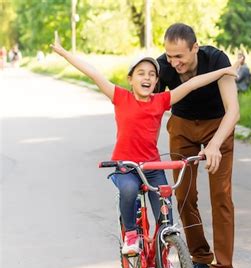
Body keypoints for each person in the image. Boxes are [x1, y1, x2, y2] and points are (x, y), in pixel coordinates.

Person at [50, 33, 237, 255]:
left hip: (152, 168)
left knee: (165, 210)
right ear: (130, 79)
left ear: (157, 81)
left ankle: (164, 260)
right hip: (126, 166)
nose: (146, 77)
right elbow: (92, 72)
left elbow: (194, 84)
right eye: (141, 73)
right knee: (129, 189)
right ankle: (130, 232)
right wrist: (63, 53)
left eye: (151, 74)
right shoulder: (120, 97)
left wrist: (224, 71)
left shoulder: (161, 101)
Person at [157, 23, 240, 268]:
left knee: (221, 196)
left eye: (180, 56)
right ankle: (200, 256)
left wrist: (215, 143)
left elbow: (233, 110)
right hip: (182, 127)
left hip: (218, 127)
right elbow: (149, 109)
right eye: (169, 56)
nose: (174, 62)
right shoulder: (164, 66)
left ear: (195, 47)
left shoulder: (216, 60)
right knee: (183, 195)